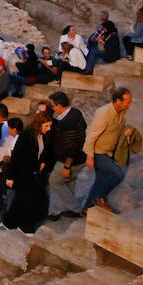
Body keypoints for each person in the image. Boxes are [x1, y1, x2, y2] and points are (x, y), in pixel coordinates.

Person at [82, 87, 136, 214]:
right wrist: (90, 156)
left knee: (100, 180)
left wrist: (125, 133)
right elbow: (92, 135)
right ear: (118, 101)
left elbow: (116, 130)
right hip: (98, 152)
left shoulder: (122, 113)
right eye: (127, 102)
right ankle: (99, 198)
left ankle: (86, 209)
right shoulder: (104, 113)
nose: (130, 104)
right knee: (118, 174)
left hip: (108, 152)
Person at [5, 112, 54, 234]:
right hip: (23, 173)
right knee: (28, 201)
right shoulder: (26, 136)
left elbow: (42, 152)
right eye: (47, 126)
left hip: (33, 172)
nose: (49, 129)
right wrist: (10, 176)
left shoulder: (43, 136)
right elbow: (16, 156)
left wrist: (42, 162)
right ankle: (25, 226)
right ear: (39, 124)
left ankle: (10, 222)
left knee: (21, 200)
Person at [48, 92, 88, 220]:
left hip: (70, 160)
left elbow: (71, 145)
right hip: (80, 158)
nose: (52, 108)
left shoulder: (67, 121)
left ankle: (75, 209)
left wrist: (67, 166)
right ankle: (70, 210)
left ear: (59, 106)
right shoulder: (76, 113)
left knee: (54, 181)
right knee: (70, 183)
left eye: (53, 106)